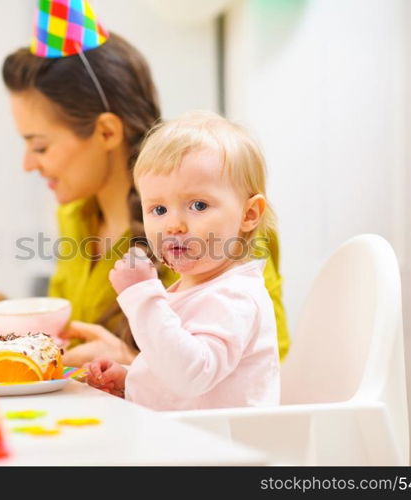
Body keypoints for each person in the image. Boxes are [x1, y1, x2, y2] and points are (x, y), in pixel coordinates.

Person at [0, 0, 289, 367]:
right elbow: (79, 341)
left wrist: (128, 361)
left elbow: (262, 369)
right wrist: (2, 314)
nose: (28, 163)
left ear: (107, 132)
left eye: (40, 146)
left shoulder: (216, 226)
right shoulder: (76, 215)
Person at [85, 111, 280, 410]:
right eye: (159, 210)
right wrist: (132, 381)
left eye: (198, 205)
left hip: (226, 452)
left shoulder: (234, 296)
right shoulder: (193, 289)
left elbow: (192, 376)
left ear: (248, 214)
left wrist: (141, 296)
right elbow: (179, 377)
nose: (173, 225)